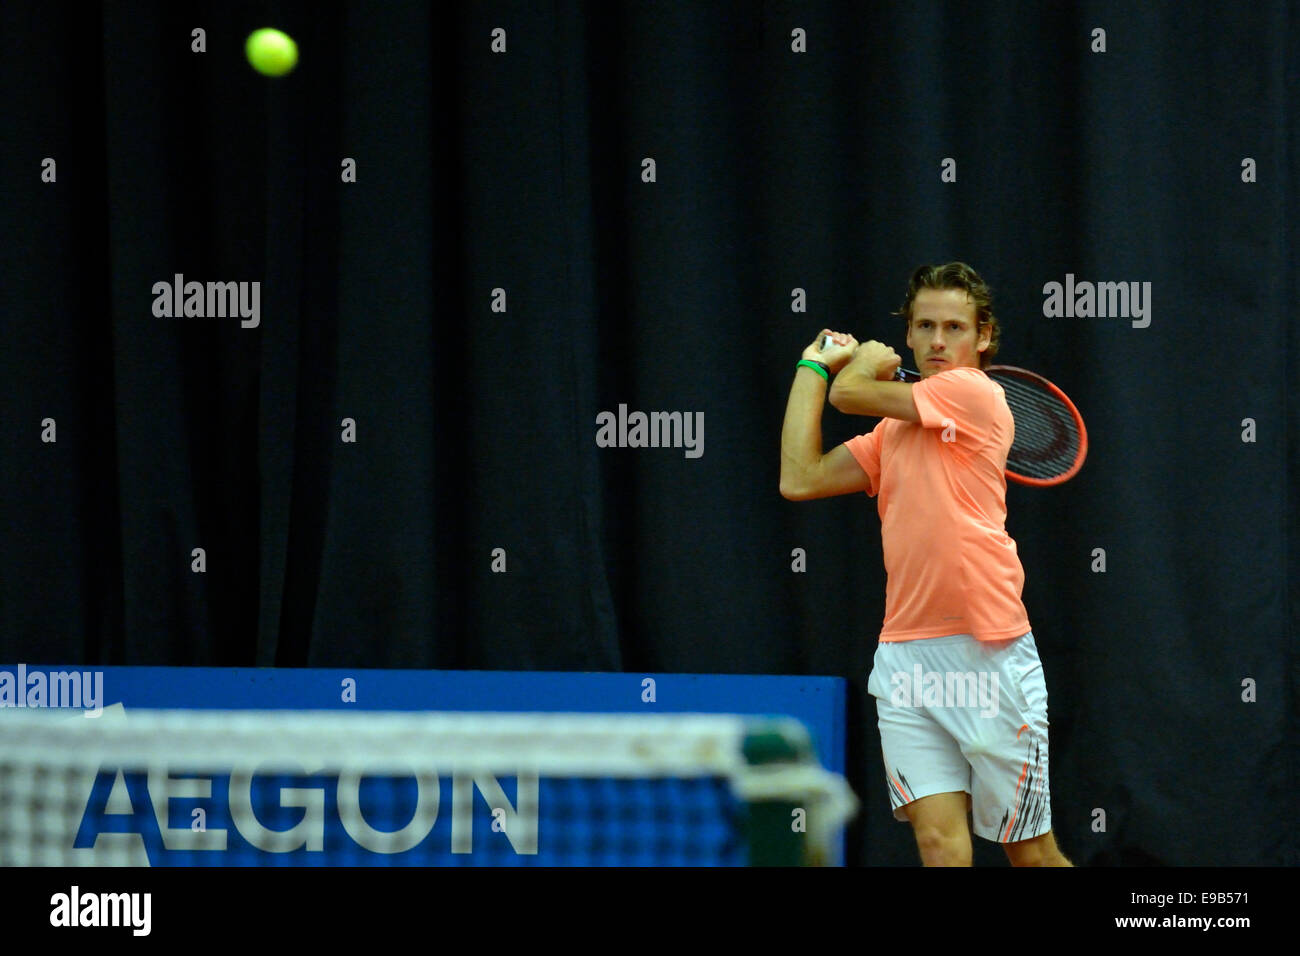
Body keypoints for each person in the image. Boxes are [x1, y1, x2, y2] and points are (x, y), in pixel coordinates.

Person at [779, 262, 1071, 867]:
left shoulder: (977, 393)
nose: (939, 341)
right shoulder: (893, 432)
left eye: (955, 327)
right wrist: (812, 365)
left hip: (989, 653)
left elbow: (851, 393)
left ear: (983, 337)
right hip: (907, 658)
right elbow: (799, 478)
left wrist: (856, 365)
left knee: (1031, 854)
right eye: (925, 326)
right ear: (909, 334)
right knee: (938, 844)